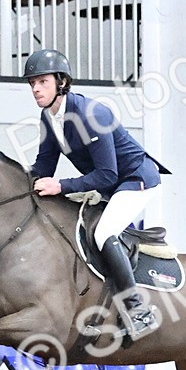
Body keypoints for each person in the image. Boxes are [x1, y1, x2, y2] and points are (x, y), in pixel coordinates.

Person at [24, 48, 166, 340]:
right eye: (32, 83)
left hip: (135, 179)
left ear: (61, 82)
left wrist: (60, 185)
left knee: (102, 234)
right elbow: (44, 166)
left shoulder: (91, 114)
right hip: (107, 185)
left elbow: (108, 174)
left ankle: (138, 310)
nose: (36, 89)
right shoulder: (48, 117)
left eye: (42, 82)